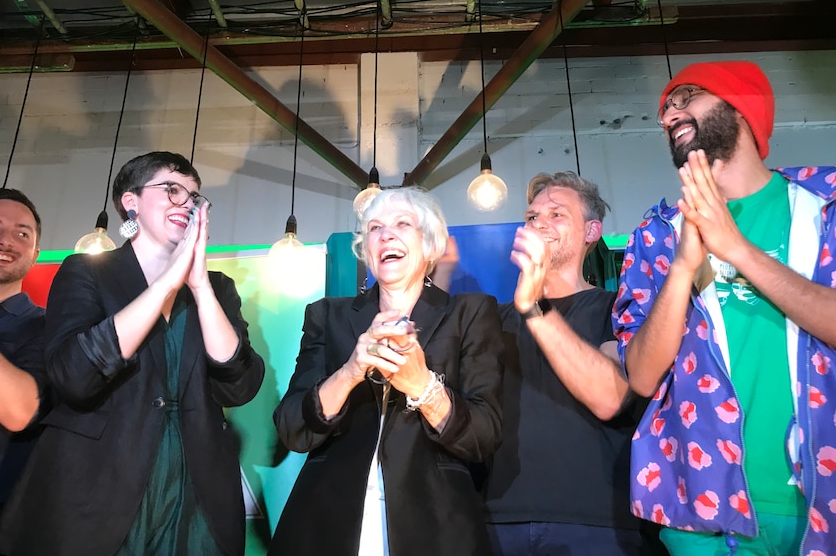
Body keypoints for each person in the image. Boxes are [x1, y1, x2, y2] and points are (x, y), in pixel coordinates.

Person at [0, 151, 265, 556]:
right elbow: (74, 378)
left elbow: (239, 386)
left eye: (193, 196)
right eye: (172, 190)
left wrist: (200, 285)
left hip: (194, 489)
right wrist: (166, 283)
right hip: (97, 484)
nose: (186, 203)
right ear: (130, 201)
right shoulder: (86, 272)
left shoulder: (218, 287)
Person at [613, 60, 836, 555]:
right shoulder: (656, 235)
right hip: (706, 510)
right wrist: (682, 266)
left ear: (743, 109)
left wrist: (734, 248)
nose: (669, 112)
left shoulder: (824, 205)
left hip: (823, 503)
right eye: (665, 107)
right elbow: (643, 376)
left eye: (686, 95)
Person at [269, 186, 504, 556]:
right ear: (366, 250)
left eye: (402, 224)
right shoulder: (327, 314)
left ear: (430, 245)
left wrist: (423, 387)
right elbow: (291, 429)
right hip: (326, 523)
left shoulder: (470, 313)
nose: (386, 234)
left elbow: (483, 437)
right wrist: (349, 372)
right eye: (375, 228)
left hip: (435, 525)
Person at [482, 172, 652, 555]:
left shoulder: (617, 307)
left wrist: (534, 307)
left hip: (595, 524)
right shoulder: (490, 318)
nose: (539, 222)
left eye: (557, 214)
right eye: (531, 217)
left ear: (592, 231)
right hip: (496, 520)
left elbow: (610, 397)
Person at [0, 188, 48, 553]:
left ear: (35, 254)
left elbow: (20, 411)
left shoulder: (52, 330)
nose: (6, 241)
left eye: (23, 233)